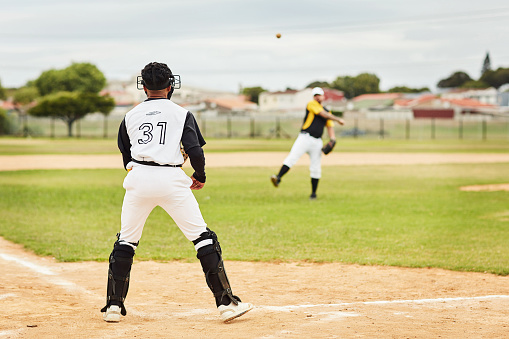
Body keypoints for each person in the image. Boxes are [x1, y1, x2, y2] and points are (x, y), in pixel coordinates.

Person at [101, 62, 253, 323]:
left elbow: (126, 155)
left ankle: (113, 307)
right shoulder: (182, 114)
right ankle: (226, 303)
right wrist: (199, 176)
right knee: (203, 238)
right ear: (171, 85)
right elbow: (195, 151)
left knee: (126, 241)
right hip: (172, 179)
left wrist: (139, 172)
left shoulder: (130, 115)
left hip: (138, 178)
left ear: (144, 86)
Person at [271, 87, 344, 199]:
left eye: (319, 95)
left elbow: (329, 126)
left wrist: (333, 139)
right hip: (304, 138)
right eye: (315, 95)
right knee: (292, 157)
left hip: (317, 141)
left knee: (316, 167)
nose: (317, 97)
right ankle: (278, 177)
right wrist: (338, 119)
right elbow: (323, 115)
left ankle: (313, 194)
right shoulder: (312, 104)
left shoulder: (327, 111)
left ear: (323, 96)